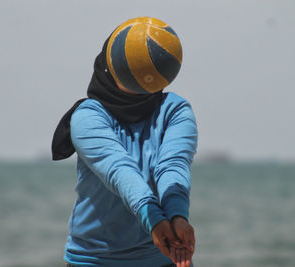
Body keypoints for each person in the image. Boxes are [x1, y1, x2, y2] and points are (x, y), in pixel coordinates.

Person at [52, 17, 197, 267]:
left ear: (106, 63)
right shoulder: (87, 116)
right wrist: (153, 217)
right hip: (93, 261)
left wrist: (176, 216)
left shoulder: (175, 111)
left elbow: (171, 167)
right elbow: (119, 170)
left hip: (163, 257)